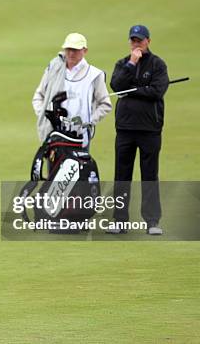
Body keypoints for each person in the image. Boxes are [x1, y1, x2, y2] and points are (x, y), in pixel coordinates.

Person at [109, 25, 169, 235]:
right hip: (125, 128)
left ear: (148, 41)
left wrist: (132, 91)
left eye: (140, 40)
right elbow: (116, 86)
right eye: (133, 40)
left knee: (149, 175)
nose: (137, 44)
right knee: (122, 175)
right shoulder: (122, 63)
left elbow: (157, 91)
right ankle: (119, 220)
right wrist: (131, 64)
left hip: (150, 129)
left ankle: (152, 221)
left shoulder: (157, 64)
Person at [32, 33, 112, 147]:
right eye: (68, 49)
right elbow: (39, 96)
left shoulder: (94, 75)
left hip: (80, 137)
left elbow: (105, 104)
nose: (71, 53)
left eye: (75, 50)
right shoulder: (54, 69)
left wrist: (89, 122)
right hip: (54, 134)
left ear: (85, 51)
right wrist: (45, 116)